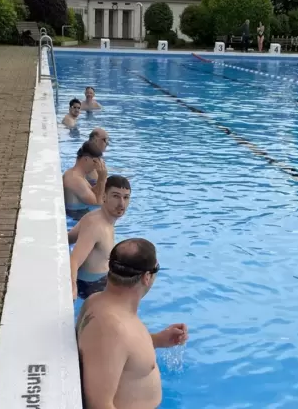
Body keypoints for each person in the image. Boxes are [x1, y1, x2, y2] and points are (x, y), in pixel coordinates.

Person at [75, 238, 189, 409]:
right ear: (147, 277)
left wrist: (158, 340)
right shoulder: (113, 330)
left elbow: (119, 353)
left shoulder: (95, 302)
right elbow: (99, 404)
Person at [68, 175, 131, 300]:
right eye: (116, 196)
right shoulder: (96, 226)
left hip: (100, 281)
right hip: (91, 288)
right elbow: (74, 260)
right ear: (104, 197)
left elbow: (68, 239)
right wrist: (72, 287)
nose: (121, 203)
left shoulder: (95, 217)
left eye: (126, 197)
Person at [63, 141, 107, 220]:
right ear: (86, 159)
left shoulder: (78, 176)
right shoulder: (74, 179)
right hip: (76, 219)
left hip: (80, 216)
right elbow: (97, 203)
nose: (96, 166)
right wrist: (102, 178)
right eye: (95, 161)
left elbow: (94, 194)